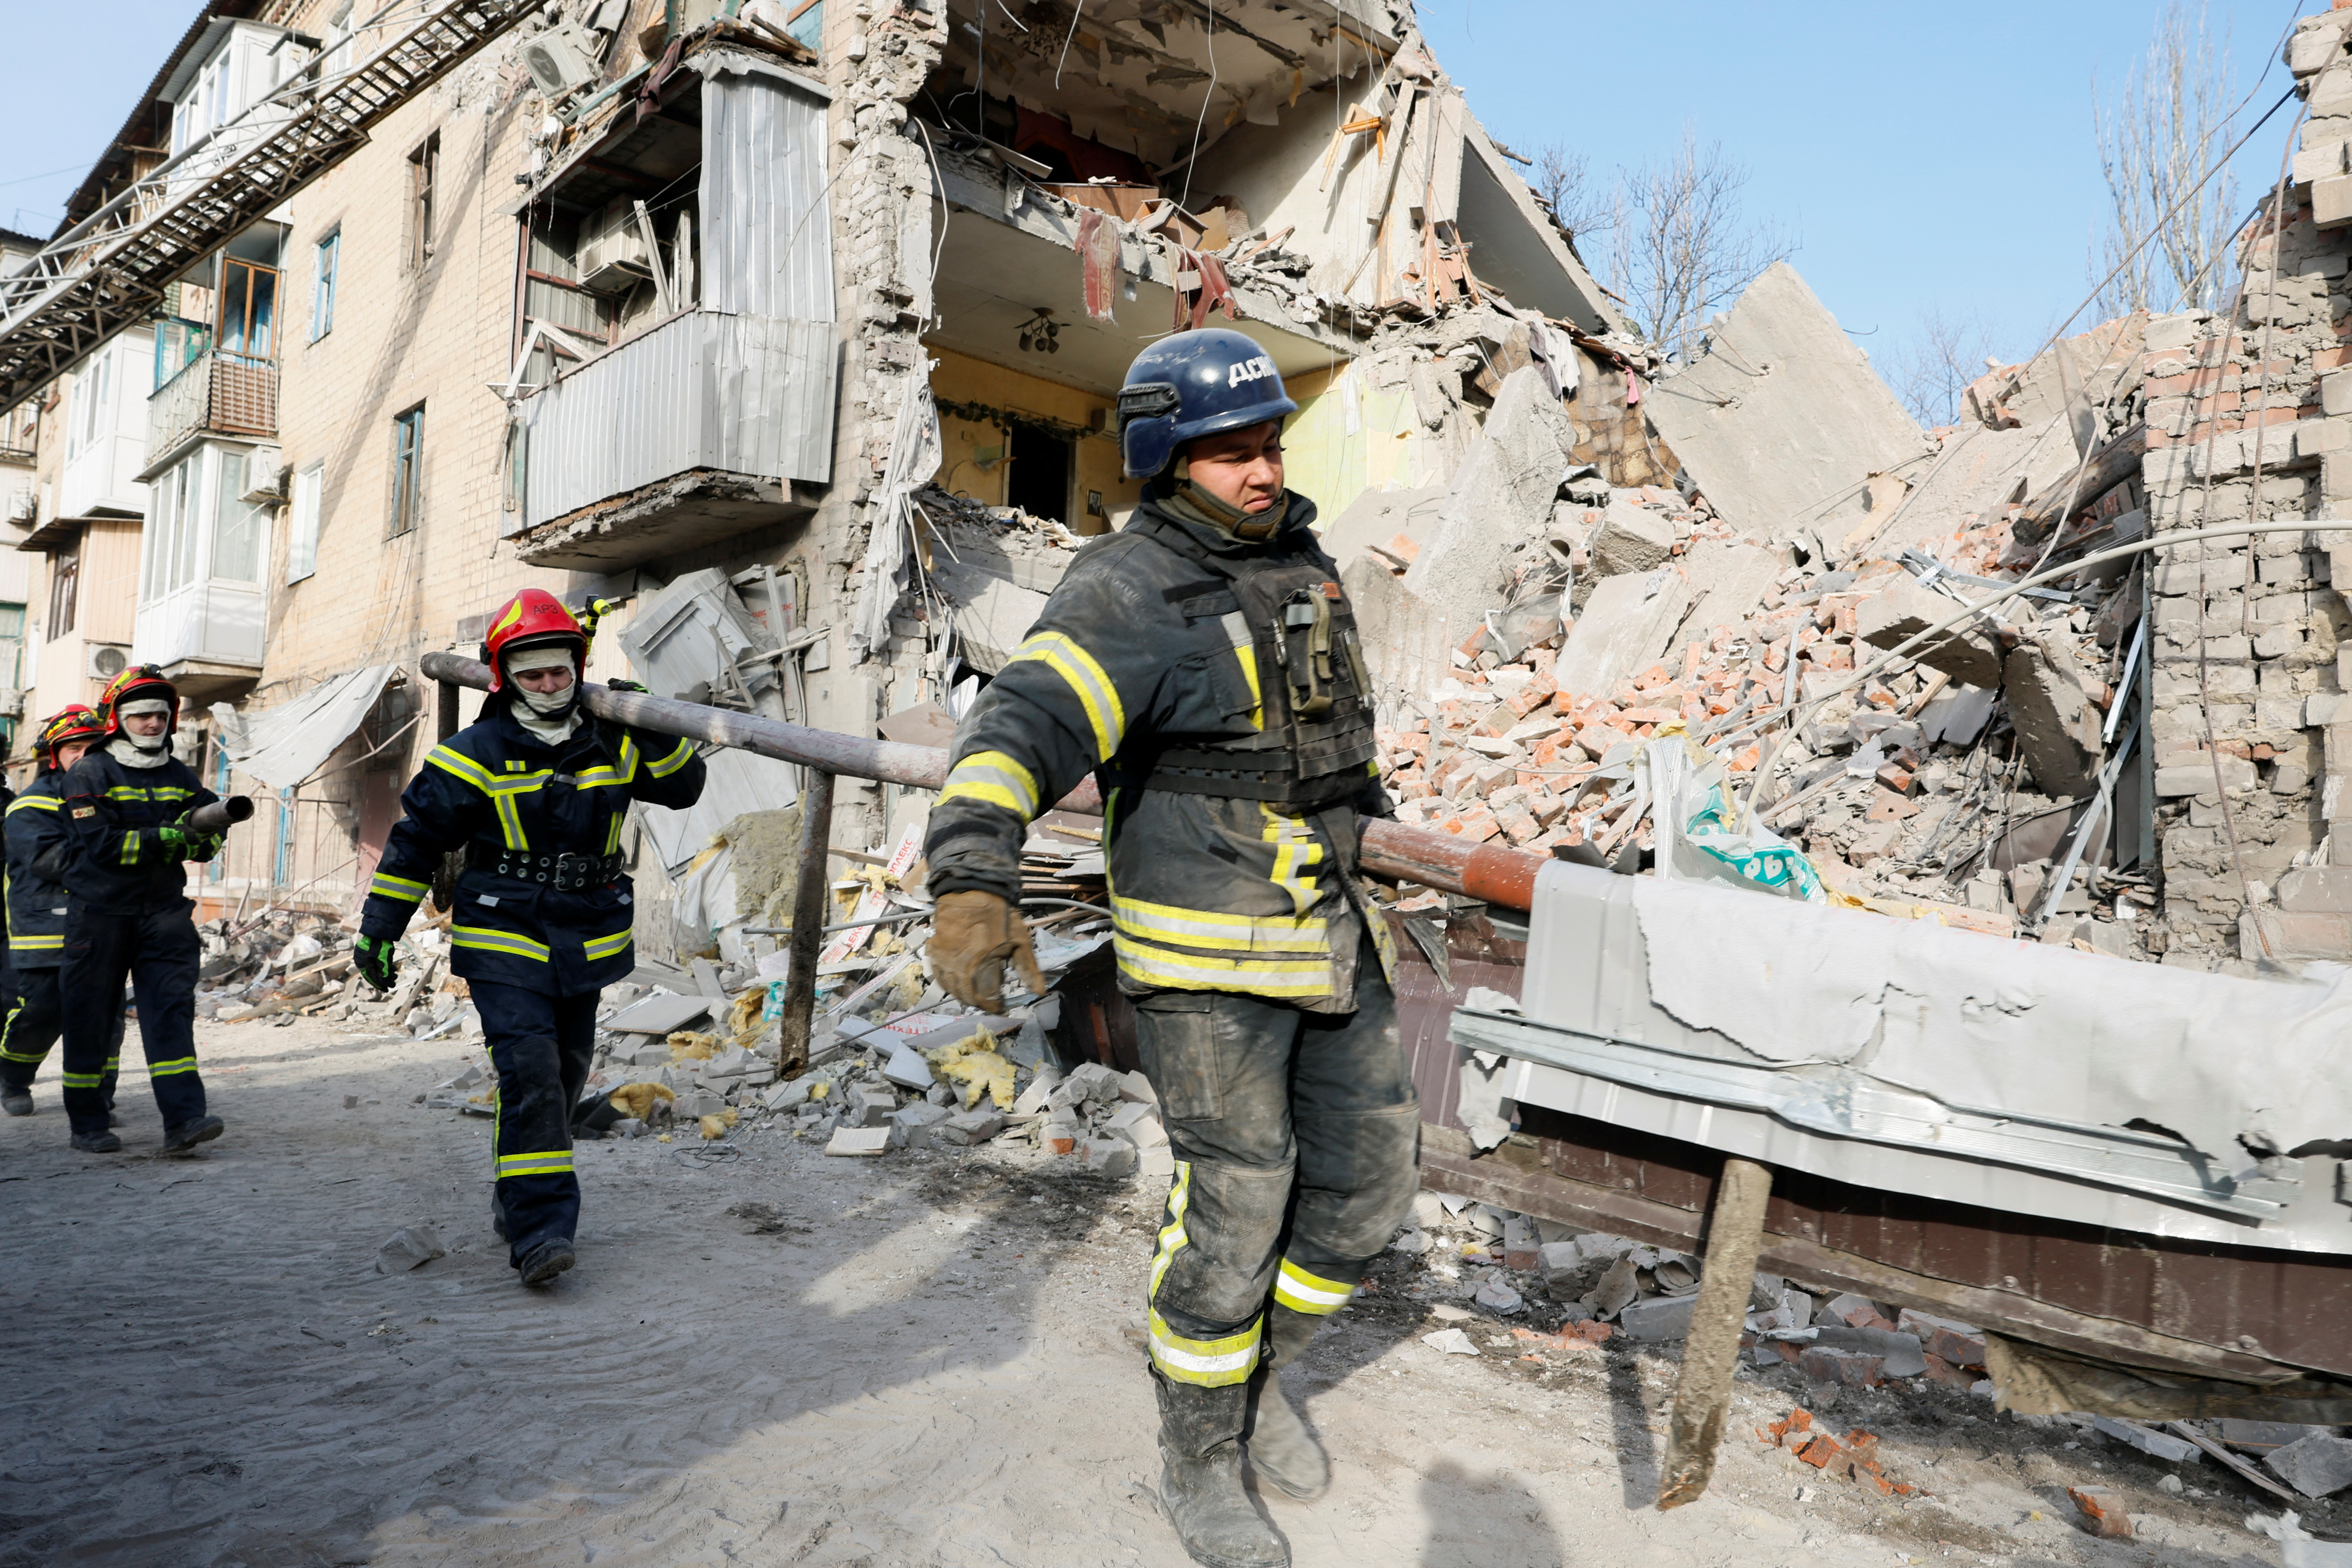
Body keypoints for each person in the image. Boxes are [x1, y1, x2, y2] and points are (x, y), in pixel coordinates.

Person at [922, 328, 1417, 1568]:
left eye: (1268, 446)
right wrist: (973, 878)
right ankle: (1197, 1446)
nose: (1261, 471)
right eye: (1229, 454)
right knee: (1237, 1206)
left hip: (1327, 933)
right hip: (1205, 962)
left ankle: (1260, 1386)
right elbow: (1022, 723)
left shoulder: (1301, 560)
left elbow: (1331, 745)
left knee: (1366, 1193)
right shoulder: (1126, 587)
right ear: (1165, 459)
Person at [354, 589, 705, 1287]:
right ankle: (543, 1232)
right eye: (532, 673)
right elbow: (413, 845)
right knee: (533, 1074)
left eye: (560, 670)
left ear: (577, 666)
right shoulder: (471, 755)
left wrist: (655, 722)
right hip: (504, 931)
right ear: (504, 677)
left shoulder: (614, 739)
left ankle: (517, 1200)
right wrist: (379, 931)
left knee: (565, 1075)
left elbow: (685, 788)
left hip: (587, 934)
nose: (549, 684)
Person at [51, 667, 227, 1156]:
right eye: (142, 715)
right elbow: (103, 846)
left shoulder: (178, 773)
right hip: (101, 914)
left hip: (164, 913)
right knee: (91, 1017)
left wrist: (211, 835)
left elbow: (208, 817)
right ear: (118, 720)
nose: (153, 723)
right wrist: (167, 839)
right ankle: (88, 1123)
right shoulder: (90, 773)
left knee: (171, 1011)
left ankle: (185, 1120)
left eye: (160, 715)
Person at [0, 706, 124, 1118]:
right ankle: (14, 1078)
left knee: (106, 1018)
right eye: (75, 748)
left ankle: (98, 1098)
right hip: (45, 928)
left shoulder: (117, 794)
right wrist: (123, 854)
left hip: (104, 922)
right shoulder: (31, 805)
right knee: (42, 1011)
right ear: (55, 755)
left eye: (94, 747)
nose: (85, 756)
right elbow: (51, 860)